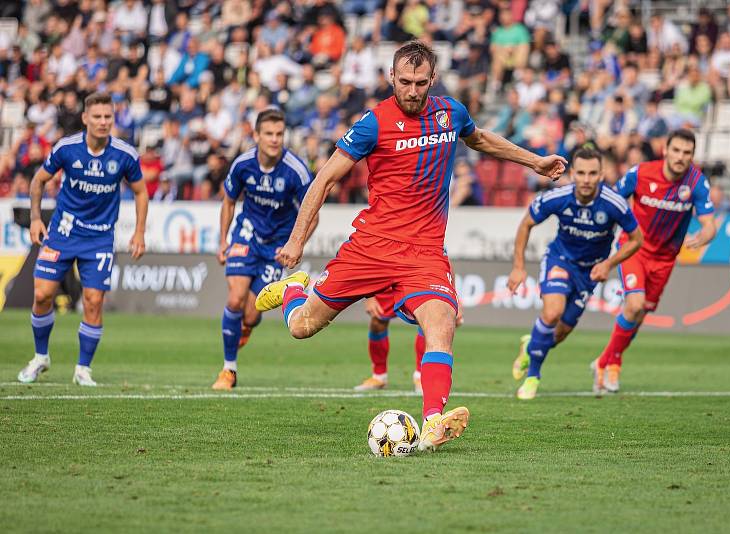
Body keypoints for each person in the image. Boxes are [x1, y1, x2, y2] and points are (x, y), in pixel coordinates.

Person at [252, 41, 566, 452]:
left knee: (442, 324)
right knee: (301, 327)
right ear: (391, 79)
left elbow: (482, 140)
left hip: (424, 253)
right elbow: (323, 180)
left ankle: (433, 422)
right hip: (371, 248)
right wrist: (296, 240)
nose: (413, 91)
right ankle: (294, 287)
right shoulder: (373, 123)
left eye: (420, 82)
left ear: (432, 80)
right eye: (405, 82)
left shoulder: (451, 113)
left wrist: (536, 161)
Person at [17, 92, 148, 386]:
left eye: (108, 117)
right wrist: (37, 218)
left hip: (100, 238)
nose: (103, 122)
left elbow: (141, 191)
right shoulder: (67, 149)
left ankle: (82, 369)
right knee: (42, 295)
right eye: (97, 117)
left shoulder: (125, 154)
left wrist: (139, 231)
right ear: (85, 118)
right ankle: (40, 357)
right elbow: (38, 181)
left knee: (93, 301)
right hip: (62, 233)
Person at [506, 148, 643, 399]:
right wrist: (518, 267)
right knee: (552, 312)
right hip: (560, 259)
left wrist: (609, 264)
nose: (587, 179)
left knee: (559, 333)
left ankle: (530, 347)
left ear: (601, 175)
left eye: (592, 173)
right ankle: (533, 377)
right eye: (581, 173)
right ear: (572, 174)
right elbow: (526, 223)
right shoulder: (558, 197)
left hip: (589, 273)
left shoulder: (614, 204)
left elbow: (637, 239)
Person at [592, 129, 717, 393]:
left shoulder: (696, 183)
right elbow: (613, 200)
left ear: (692, 156)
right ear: (665, 151)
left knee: (639, 315)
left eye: (687, 153)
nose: (681, 157)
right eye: (677, 151)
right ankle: (607, 364)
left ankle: (609, 360)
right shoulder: (641, 173)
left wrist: (703, 236)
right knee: (634, 305)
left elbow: (709, 225)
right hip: (634, 248)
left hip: (665, 259)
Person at [211, 107, 318, 390]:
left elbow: (313, 214)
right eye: (268, 134)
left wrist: (297, 245)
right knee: (235, 299)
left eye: (279, 134)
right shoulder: (242, 164)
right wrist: (223, 240)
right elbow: (228, 202)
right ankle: (228, 370)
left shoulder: (296, 171)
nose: (274, 139)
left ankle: (244, 326)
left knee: (251, 313)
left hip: (277, 247)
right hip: (246, 235)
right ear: (256, 135)